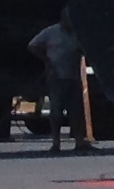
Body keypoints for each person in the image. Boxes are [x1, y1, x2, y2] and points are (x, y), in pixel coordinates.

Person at [30, 9, 92, 154]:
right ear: (63, 19)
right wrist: (46, 59)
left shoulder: (77, 33)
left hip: (73, 76)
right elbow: (32, 45)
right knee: (56, 111)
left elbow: (86, 50)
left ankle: (79, 141)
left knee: (76, 111)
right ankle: (56, 143)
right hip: (56, 77)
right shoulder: (51, 32)